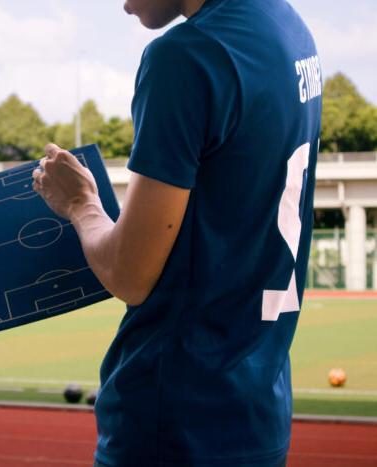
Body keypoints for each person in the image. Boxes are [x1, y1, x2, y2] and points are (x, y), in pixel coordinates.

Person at [32, 0, 322, 465]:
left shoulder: (185, 56)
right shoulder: (289, 27)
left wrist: (80, 203)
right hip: (258, 417)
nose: (122, 4)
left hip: (175, 422)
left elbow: (130, 276)